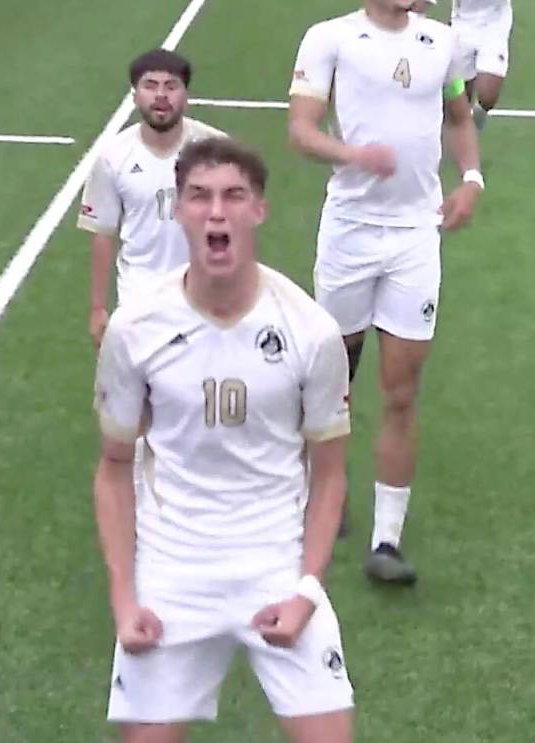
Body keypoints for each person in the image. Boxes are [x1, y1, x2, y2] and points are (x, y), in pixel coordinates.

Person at [93, 137, 354, 743]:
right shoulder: (135, 329)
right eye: (199, 196)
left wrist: (307, 590)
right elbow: (113, 468)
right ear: (179, 209)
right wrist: (124, 598)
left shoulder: (312, 331)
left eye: (234, 195)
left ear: (259, 210)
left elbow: (330, 474)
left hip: (275, 563)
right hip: (172, 569)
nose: (216, 212)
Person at [288, 0, 484, 584]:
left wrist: (471, 178)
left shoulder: (443, 44)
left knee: (401, 390)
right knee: (332, 379)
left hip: (415, 236)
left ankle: (387, 541)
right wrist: (353, 155)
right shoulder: (330, 38)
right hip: (349, 231)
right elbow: (301, 130)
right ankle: (326, 489)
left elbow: (458, 116)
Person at [79, 48, 226, 346]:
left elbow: (238, 225)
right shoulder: (112, 156)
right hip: (139, 298)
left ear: (185, 95)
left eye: (171, 86)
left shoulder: (217, 150)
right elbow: (102, 233)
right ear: (135, 96)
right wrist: (98, 308)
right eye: (150, 86)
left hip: (205, 294)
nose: (161, 95)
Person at [450, 0, 513, 130]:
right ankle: (464, 131)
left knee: (487, 97)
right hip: (462, 24)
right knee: (459, 99)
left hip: (494, 25)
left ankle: (479, 115)